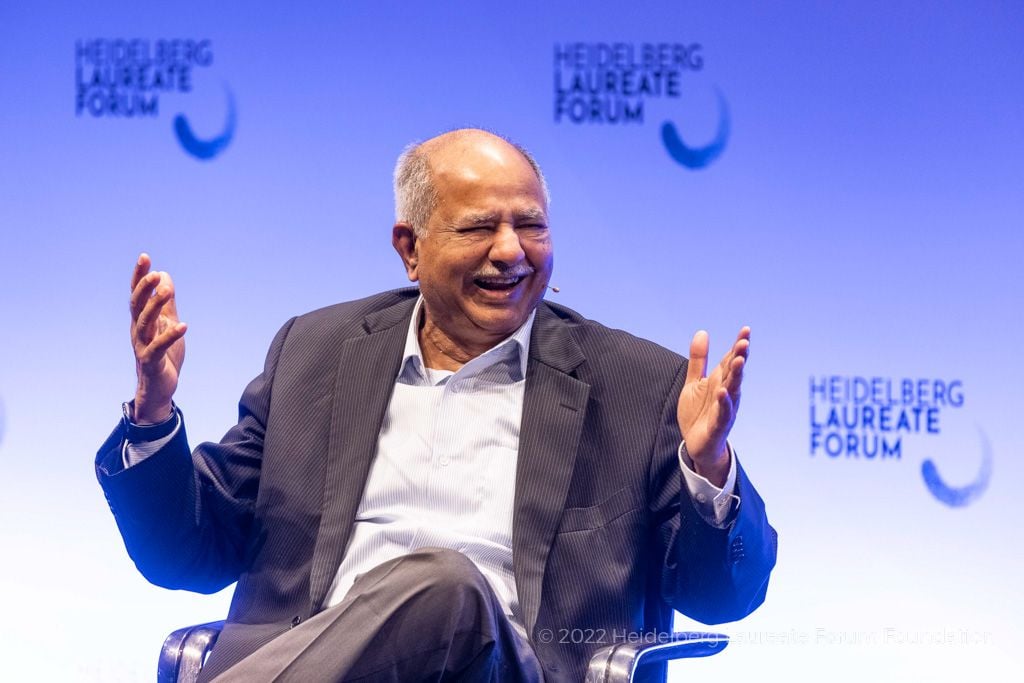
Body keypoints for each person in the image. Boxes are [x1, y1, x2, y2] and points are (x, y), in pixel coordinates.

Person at [96, 129, 776, 682]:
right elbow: (185, 547)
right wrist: (154, 417)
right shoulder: (316, 353)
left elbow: (725, 596)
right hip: (314, 663)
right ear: (409, 248)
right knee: (436, 584)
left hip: (507, 669)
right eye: (481, 226)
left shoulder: (632, 383)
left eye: (531, 225)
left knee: (446, 586)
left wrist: (709, 466)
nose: (511, 251)